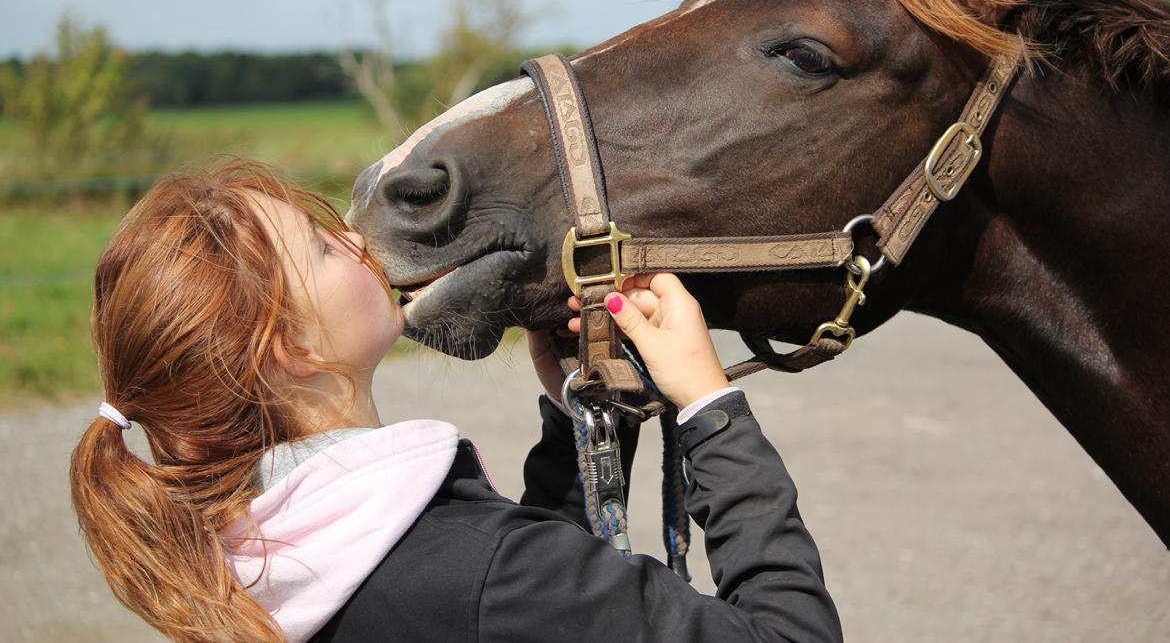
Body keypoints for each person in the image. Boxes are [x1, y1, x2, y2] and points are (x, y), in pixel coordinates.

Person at [70, 159, 843, 643]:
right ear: (294, 350)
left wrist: (577, 418)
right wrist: (708, 405)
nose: (351, 236)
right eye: (316, 246)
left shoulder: (258, 569)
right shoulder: (487, 573)